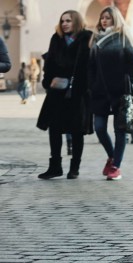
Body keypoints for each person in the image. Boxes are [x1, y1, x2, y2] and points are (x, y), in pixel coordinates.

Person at [36, 10, 93, 180]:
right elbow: (50, 63)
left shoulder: (86, 38)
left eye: (68, 21)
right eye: (62, 21)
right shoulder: (56, 38)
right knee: (54, 129)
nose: (65, 24)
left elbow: (90, 65)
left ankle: (74, 167)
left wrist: (86, 86)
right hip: (58, 91)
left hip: (78, 92)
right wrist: (48, 81)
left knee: (77, 130)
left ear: (76, 21)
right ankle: (55, 167)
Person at [89, 5, 133, 181]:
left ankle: (116, 166)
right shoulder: (95, 40)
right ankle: (111, 156)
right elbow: (91, 66)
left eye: (108, 18)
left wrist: (127, 82)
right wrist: (92, 84)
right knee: (100, 128)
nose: (104, 20)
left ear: (115, 19)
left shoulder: (123, 39)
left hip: (120, 92)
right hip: (100, 92)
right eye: (102, 17)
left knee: (120, 131)